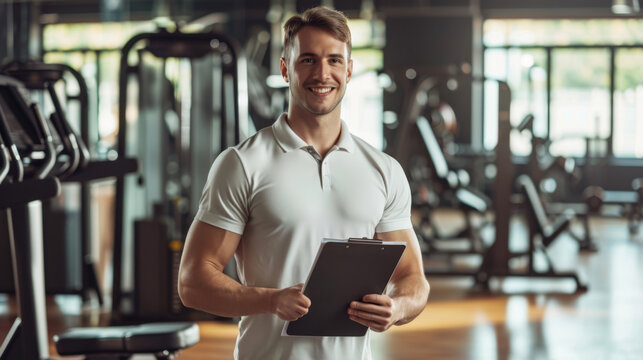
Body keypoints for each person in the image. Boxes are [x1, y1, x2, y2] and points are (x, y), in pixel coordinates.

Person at [178, 6, 430, 360]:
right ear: (285, 69)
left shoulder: (383, 170)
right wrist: (270, 299)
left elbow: (413, 280)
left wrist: (397, 308)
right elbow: (193, 282)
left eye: (334, 61)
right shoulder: (243, 163)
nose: (322, 73)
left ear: (349, 69)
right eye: (308, 60)